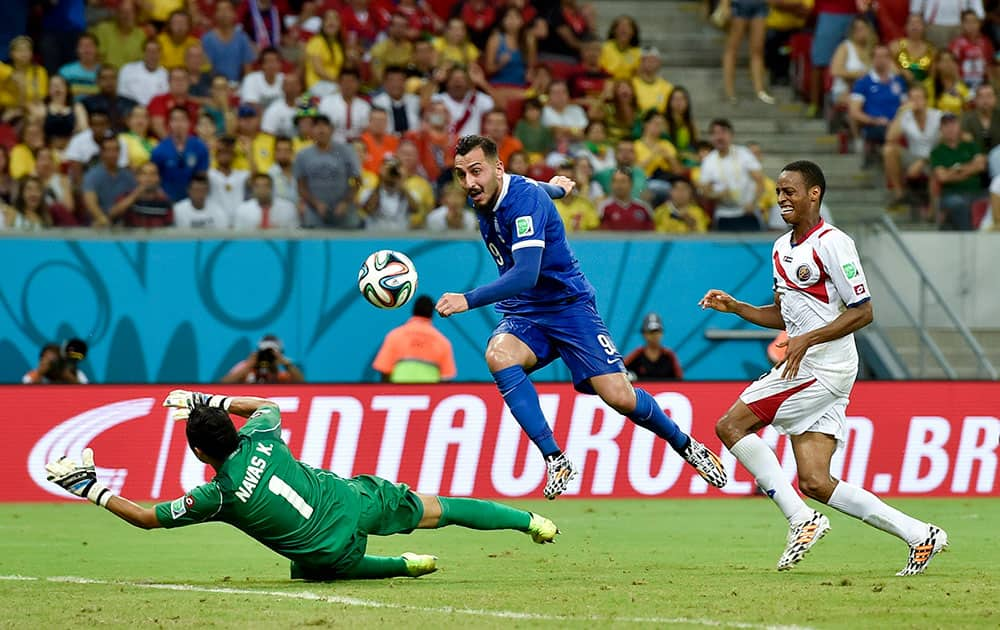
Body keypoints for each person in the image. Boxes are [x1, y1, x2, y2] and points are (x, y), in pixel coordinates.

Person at [435, 135, 727, 500]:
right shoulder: (495, 192)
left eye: (475, 171)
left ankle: (685, 444)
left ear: (497, 168)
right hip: (525, 311)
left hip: (569, 307)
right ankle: (555, 457)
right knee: (498, 356)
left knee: (619, 397)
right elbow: (530, 189)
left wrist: (469, 298)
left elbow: (526, 272)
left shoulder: (523, 202)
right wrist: (556, 190)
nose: (469, 183)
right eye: (461, 175)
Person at [698, 159, 948, 576]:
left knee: (730, 426)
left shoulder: (834, 243)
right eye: (778, 192)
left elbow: (863, 311)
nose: (782, 199)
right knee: (814, 481)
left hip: (822, 366)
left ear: (814, 194)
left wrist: (809, 339)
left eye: (790, 191)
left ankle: (802, 521)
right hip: (810, 362)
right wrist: (738, 307)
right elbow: (785, 316)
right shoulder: (780, 248)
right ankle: (921, 534)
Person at [45, 391, 559, 580]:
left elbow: (143, 517)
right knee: (440, 507)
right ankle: (529, 520)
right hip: (353, 501)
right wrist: (210, 399)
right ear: (234, 432)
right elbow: (268, 406)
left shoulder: (215, 495)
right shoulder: (262, 436)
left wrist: (90, 488)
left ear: (199, 453)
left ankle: (401, 566)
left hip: (330, 555)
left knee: (308, 567)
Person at [294, 114, 362, 229]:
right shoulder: (303, 155)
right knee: (313, 245)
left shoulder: (346, 152)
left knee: (348, 245)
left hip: (344, 212)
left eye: (325, 126)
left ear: (331, 129)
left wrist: (345, 202)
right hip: (315, 213)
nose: (321, 130)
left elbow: (358, 181)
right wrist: (316, 204)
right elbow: (301, 187)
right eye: (317, 126)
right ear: (311, 131)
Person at [698, 118, 766, 231]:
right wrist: (717, 195)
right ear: (711, 138)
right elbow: (704, 191)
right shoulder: (708, 161)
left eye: (723, 132)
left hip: (747, 211)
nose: (719, 137)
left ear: (731, 135)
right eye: (715, 133)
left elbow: (760, 180)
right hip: (724, 214)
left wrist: (753, 203)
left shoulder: (744, 154)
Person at [373, 295, 458, 383]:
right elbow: (446, 379)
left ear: (413, 310)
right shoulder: (442, 342)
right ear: (432, 314)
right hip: (430, 394)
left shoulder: (395, 336)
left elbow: (384, 370)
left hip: (399, 392)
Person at [930, 112, 987, 229]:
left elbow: (981, 166)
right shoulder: (937, 152)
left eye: (953, 124)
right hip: (951, 194)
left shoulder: (970, 145)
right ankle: (969, 239)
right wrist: (970, 168)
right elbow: (943, 177)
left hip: (976, 192)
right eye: (946, 125)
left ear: (959, 127)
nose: (950, 128)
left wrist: (956, 169)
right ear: (941, 129)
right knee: (958, 204)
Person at [722, 0, 775, 104]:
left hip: (760, 5)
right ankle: (729, 91)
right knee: (732, 48)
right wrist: (725, 4)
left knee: (758, 49)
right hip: (740, 4)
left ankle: (760, 90)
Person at [623, 313, 683, 380]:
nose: (654, 335)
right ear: (644, 334)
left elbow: (679, 380)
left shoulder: (669, 355)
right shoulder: (637, 355)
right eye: (650, 332)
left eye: (657, 331)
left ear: (662, 333)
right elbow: (621, 371)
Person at [223, 335, 305, 384]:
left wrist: (285, 363)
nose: (267, 356)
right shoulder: (246, 367)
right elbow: (224, 383)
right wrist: (248, 366)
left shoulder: (279, 375)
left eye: (271, 353)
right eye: (264, 351)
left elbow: (301, 383)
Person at [233, 173, 299, 230]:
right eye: (257, 186)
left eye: (265, 186)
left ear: (271, 188)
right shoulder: (242, 209)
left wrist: (279, 232)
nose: (262, 189)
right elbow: (237, 236)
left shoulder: (288, 208)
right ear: (252, 189)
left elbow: (296, 234)